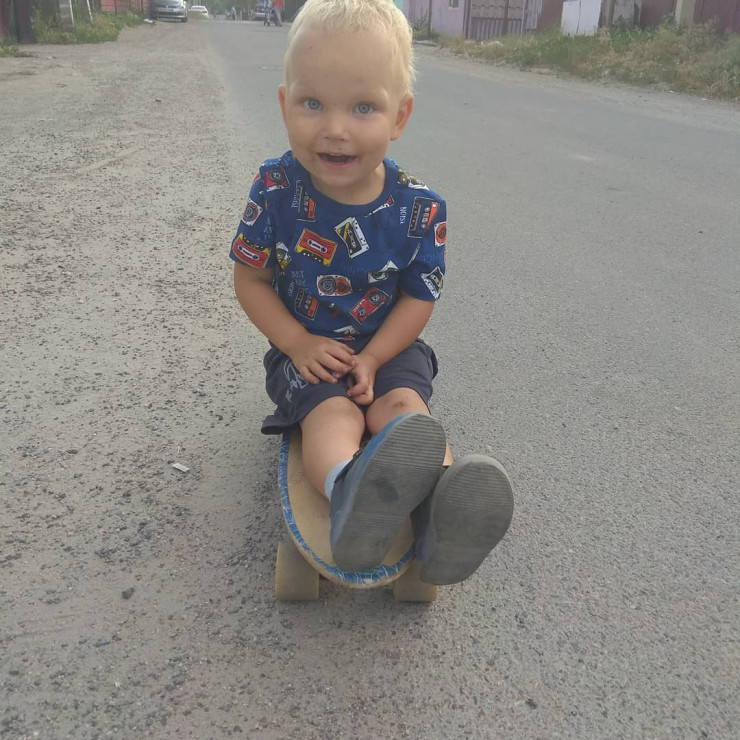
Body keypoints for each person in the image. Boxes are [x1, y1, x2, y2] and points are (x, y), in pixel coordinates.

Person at [230, 0, 514, 584]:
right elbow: (250, 278)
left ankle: (443, 513)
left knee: (406, 412)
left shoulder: (419, 208)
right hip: (307, 350)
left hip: (389, 347)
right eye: (312, 103)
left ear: (399, 115)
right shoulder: (276, 189)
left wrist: (378, 357)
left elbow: (418, 296)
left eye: (363, 107)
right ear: (284, 104)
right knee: (333, 414)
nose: (335, 128)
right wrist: (296, 342)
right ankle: (350, 492)